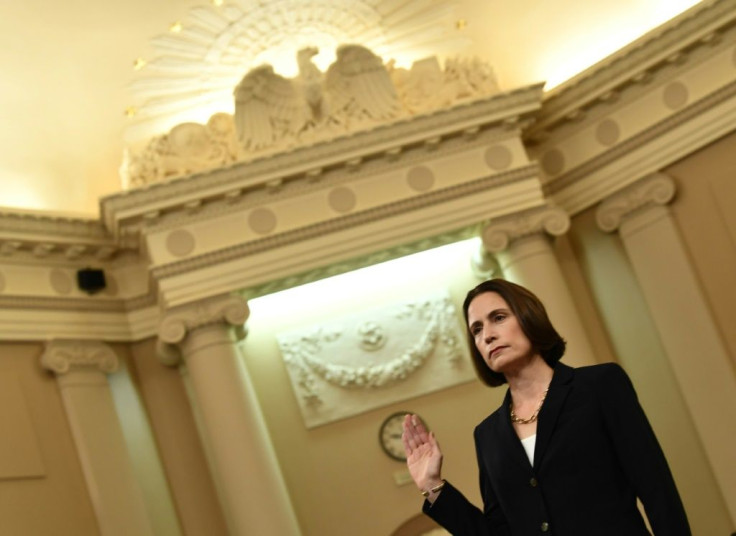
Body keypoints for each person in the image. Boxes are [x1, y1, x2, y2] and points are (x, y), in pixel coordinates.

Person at [402, 278, 690, 535]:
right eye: (477, 329)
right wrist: (432, 486)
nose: (487, 335)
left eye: (498, 318)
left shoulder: (599, 385)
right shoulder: (488, 434)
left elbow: (656, 488)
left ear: (529, 317)